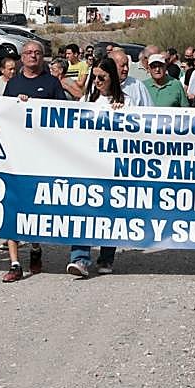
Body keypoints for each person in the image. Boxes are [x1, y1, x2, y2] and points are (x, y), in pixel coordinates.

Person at [2, 40, 70, 280]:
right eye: (29, 53)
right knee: (11, 204)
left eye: (37, 53)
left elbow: (63, 114)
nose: (33, 56)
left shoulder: (51, 83)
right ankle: (14, 263)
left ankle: (35, 247)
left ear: (44, 57)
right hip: (15, 155)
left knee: (34, 206)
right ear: (22, 56)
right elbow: (3, 114)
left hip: (41, 156)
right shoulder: (12, 84)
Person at [66, 57, 125, 278]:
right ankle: (80, 258)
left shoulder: (124, 102)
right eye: (95, 77)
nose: (98, 81)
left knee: (110, 213)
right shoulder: (86, 101)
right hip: (87, 166)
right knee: (83, 210)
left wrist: (122, 114)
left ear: (112, 78)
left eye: (103, 77)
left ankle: (107, 256)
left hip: (113, 168)